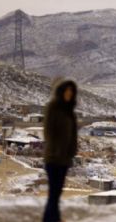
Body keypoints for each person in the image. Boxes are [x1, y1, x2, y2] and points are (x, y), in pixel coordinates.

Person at [43, 79, 78, 222]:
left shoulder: (70, 112)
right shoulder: (53, 108)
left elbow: (73, 135)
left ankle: (53, 218)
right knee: (54, 193)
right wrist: (55, 150)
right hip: (53, 158)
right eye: (67, 90)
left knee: (57, 193)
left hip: (65, 159)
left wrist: (71, 152)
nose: (69, 93)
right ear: (61, 91)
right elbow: (48, 132)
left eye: (71, 91)